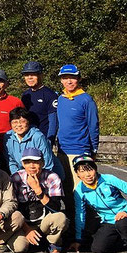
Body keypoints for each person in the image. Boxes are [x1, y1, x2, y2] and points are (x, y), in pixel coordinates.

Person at [68, 155, 127, 253]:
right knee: (98, 249)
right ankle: (121, 237)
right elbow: (80, 215)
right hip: (109, 221)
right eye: (82, 171)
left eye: (90, 170)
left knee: (122, 224)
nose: (87, 174)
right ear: (77, 174)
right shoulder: (79, 191)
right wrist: (78, 239)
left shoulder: (109, 179)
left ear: (95, 169)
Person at [50, 64, 100, 217]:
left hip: (80, 150)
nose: (69, 81)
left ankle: (85, 225)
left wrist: (94, 149)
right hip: (62, 151)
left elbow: (93, 125)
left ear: (78, 78)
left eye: (72, 77)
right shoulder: (60, 99)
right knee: (65, 187)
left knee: (81, 190)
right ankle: (72, 221)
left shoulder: (86, 99)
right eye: (65, 78)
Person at [8, 148, 67, 253]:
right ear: (22, 164)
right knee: (20, 247)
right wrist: (27, 230)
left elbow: (56, 208)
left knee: (60, 218)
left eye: (36, 162)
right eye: (27, 162)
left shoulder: (52, 177)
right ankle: (38, 241)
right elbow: (11, 208)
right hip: (24, 222)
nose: (31, 166)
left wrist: (38, 190)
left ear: (43, 163)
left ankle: (51, 241)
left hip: (44, 221)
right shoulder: (16, 178)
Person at [3, 107, 59, 176]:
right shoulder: (8, 137)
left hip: (45, 174)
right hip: (23, 175)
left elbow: (47, 163)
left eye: (22, 121)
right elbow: (11, 161)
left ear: (28, 122)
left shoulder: (38, 137)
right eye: (15, 122)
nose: (19, 125)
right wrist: (19, 178)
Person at [19, 61, 58, 135]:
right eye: (27, 75)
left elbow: (53, 122)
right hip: (27, 138)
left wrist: (49, 141)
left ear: (40, 75)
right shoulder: (25, 95)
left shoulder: (50, 95)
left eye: (33, 74)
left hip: (43, 138)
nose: (29, 77)